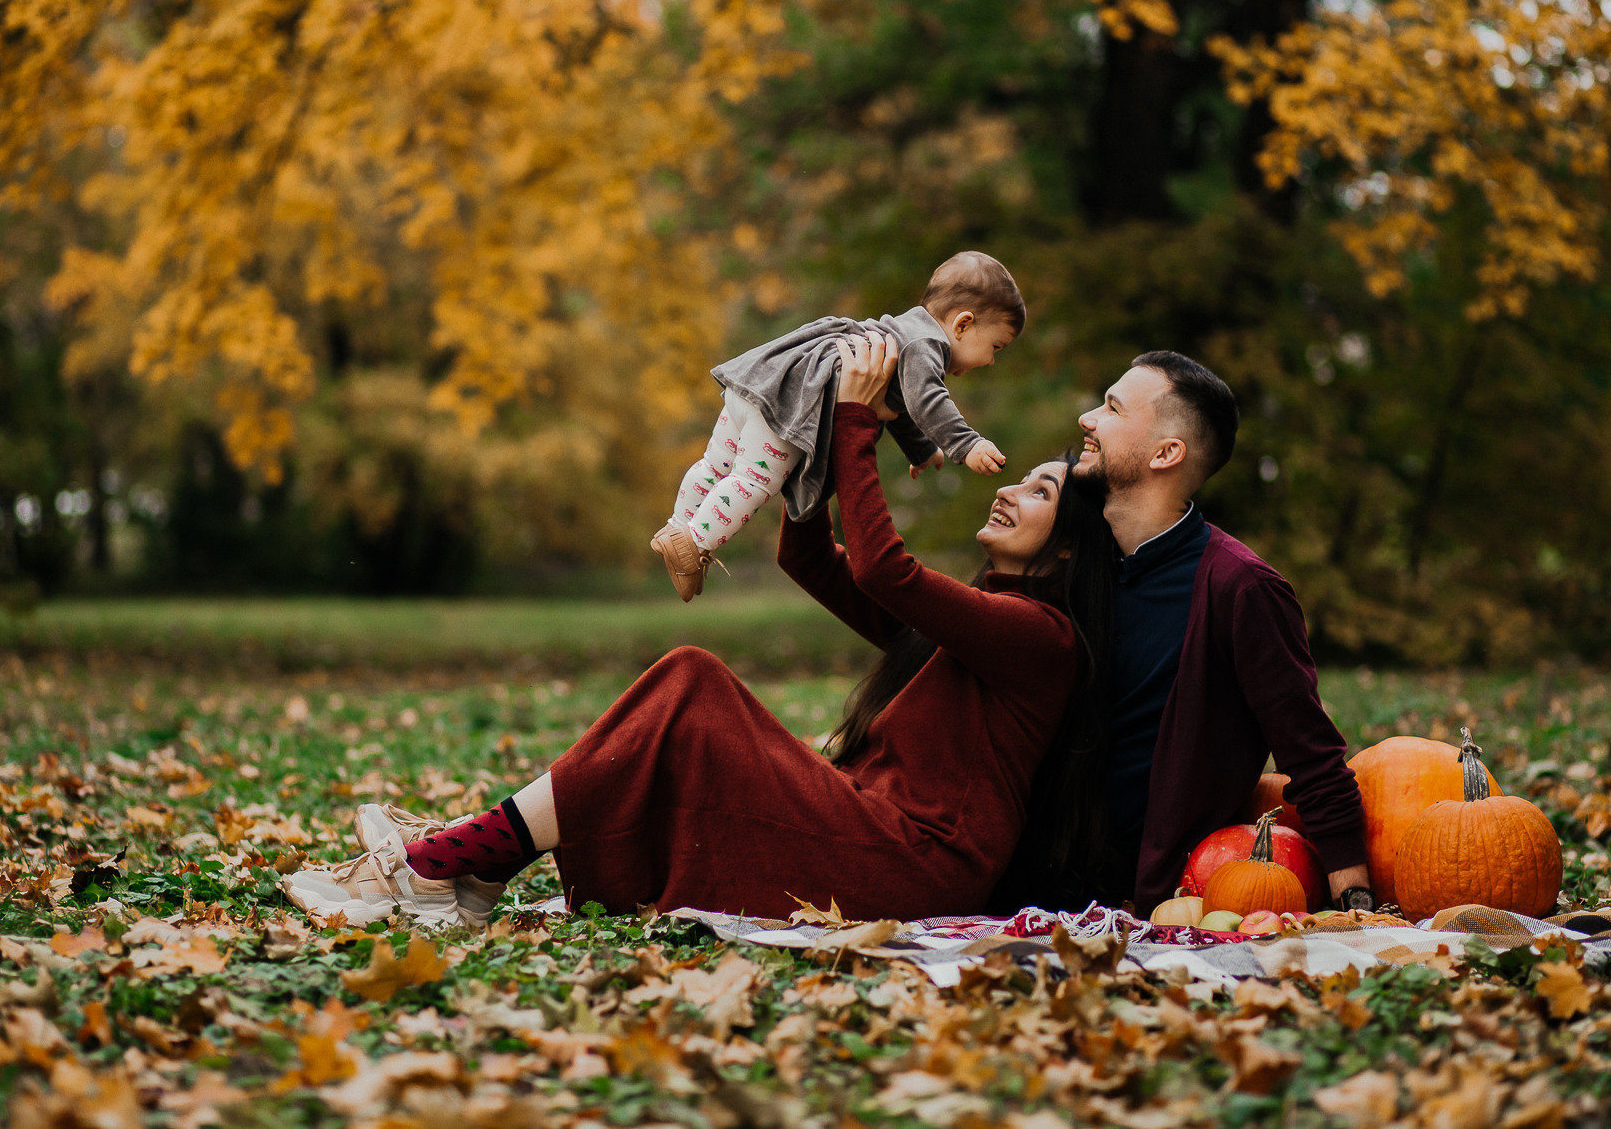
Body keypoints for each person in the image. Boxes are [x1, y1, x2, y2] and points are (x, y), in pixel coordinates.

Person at [286, 333, 1118, 927]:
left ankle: (459, 857)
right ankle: (470, 859)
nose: (1010, 492)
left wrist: (863, 422)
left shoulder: (1041, 639)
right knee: (687, 690)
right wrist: (819, 427)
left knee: (694, 679)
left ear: (1068, 550)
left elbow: (883, 570)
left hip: (910, 863)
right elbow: (815, 560)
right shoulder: (976, 624)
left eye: (1041, 493)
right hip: (871, 825)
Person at [1075, 351, 1372, 910]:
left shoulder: (1241, 589)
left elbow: (1310, 754)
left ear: (1167, 453)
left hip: (1154, 900)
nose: (1088, 419)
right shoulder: (1071, 560)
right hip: (1025, 875)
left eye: (1112, 408)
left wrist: (1356, 901)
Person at [649, 251, 1023, 602]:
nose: (991, 361)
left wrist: (922, 449)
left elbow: (906, 406)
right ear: (963, 324)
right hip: (790, 407)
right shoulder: (927, 346)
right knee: (754, 481)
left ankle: (676, 528)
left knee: (714, 465)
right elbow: (928, 401)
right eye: (996, 347)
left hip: (759, 384)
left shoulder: (906, 333)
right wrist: (967, 444)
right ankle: (694, 545)